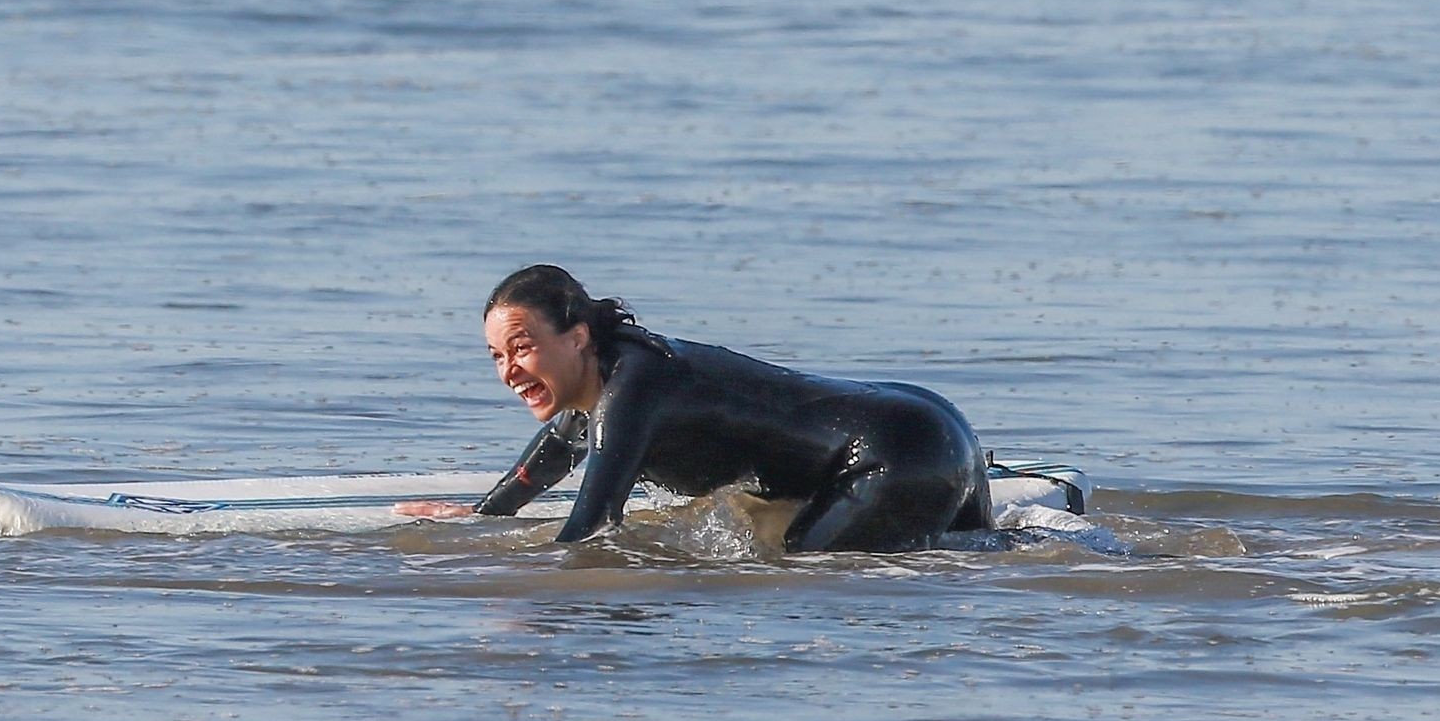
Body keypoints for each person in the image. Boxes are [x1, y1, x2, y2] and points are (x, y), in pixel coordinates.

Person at [396, 265, 993, 552]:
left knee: (806, 571)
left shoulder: (633, 389)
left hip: (892, 453)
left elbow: (590, 530)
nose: (509, 371)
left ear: (577, 337)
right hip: (926, 425)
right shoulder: (612, 381)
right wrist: (483, 516)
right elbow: (560, 445)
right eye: (497, 356)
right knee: (983, 562)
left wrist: (498, 573)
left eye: (522, 348)